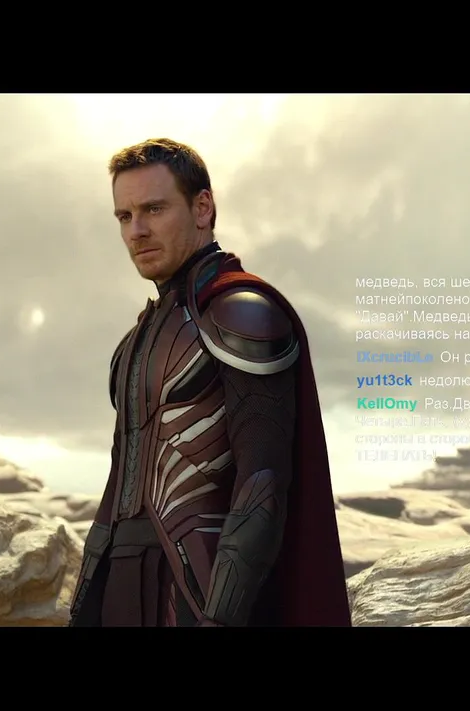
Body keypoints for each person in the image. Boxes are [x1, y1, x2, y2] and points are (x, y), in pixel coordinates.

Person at [68, 138, 351, 627]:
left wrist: (219, 620)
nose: (137, 231)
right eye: (124, 216)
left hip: (200, 592)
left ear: (203, 208)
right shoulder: (139, 338)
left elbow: (262, 485)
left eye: (154, 209)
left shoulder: (241, 314)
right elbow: (119, 487)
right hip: (122, 590)